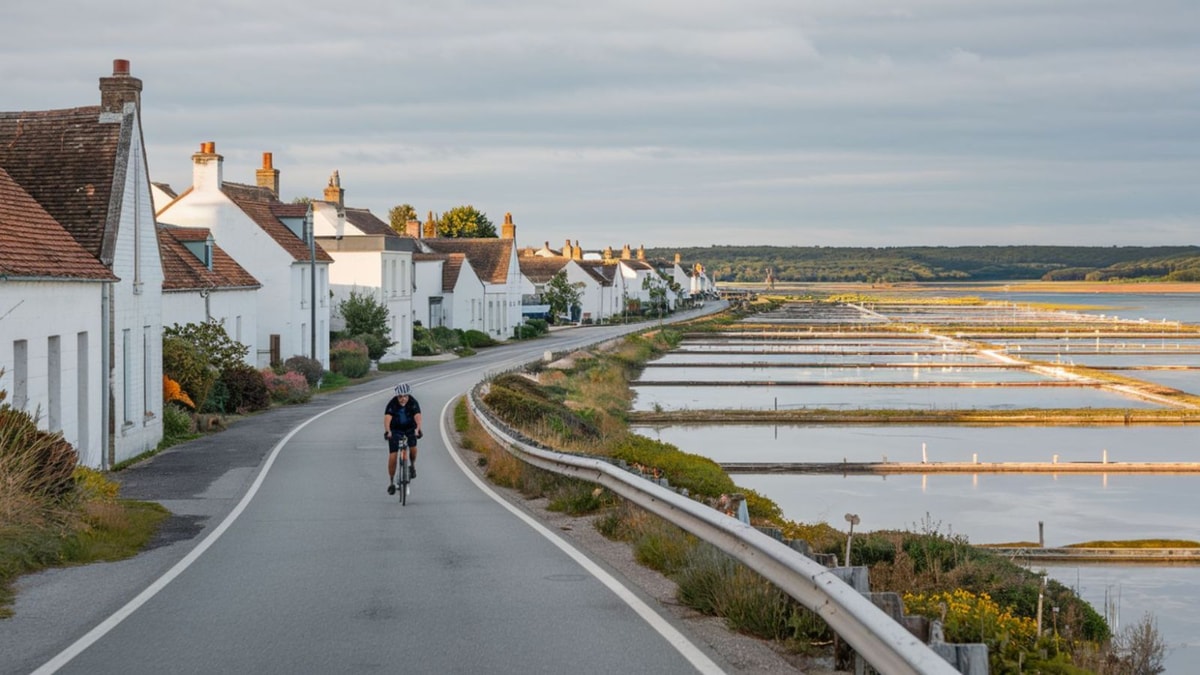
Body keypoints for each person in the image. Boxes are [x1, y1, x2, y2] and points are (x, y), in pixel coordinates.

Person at [384, 382, 422, 494]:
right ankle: (391, 482)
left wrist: (418, 429)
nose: (403, 399)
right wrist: (388, 431)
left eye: (405, 396)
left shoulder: (413, 402)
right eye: (400, 397)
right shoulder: (392, 404)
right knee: (393, 455)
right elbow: (387, 418)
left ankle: (412, 466)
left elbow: (418, 416)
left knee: (413, 447)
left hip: (410, 427)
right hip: (395, 429)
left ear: (408, 396)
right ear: (397, 396)